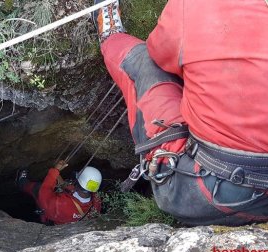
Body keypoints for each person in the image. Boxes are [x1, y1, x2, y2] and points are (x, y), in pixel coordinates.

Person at [93, 0, 268, 226]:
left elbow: (159, 52)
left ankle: (111, 37)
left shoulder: (194, 6)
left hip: (205, 195)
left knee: (145, 63)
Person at [16, 160, 102, 225]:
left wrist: (54, 171)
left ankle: (22, 183)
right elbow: (71, 189)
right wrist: (58, 177)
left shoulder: (62, 205)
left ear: (77, 184)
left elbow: (44, 192)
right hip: (69, 216)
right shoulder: (96, 201)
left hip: (52, 218)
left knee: (38, 188)